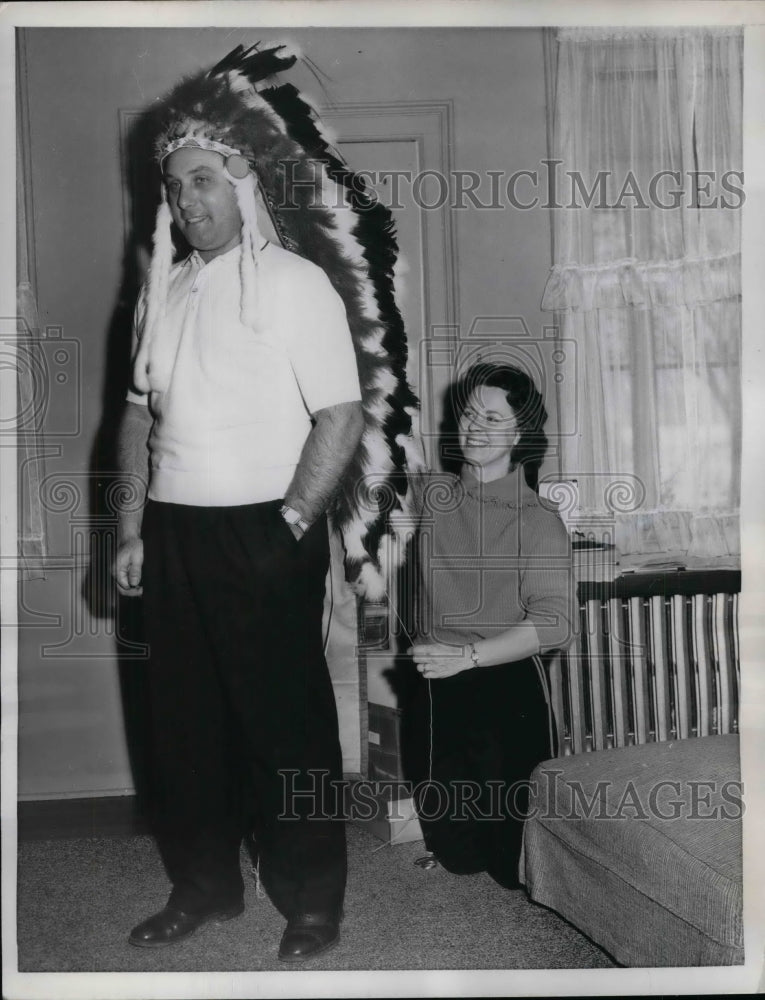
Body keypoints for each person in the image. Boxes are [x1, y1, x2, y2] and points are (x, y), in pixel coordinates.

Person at [109, 45, 391, 963]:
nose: (186, 201)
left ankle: (312, 901)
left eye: (200, 181)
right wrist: (129, 529)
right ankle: (204, 889)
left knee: (286, 727)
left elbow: (341, 415)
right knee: (181, 725)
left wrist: (293, 524)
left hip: (268, 527)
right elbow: (136, 414)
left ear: (241, 182)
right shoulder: (166, 289)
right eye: (174, 187)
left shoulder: (295, 283)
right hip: (175, 534)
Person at [407, 362, 575, 890]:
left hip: (504, 686)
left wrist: (470, 657)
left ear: (520, 433)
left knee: (513, 870)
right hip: (437, 683)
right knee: (457, 853)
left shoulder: (536, 520)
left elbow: (556, 624)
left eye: (494, 417)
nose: (476, 426)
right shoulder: (435, 497)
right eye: (470, 413)